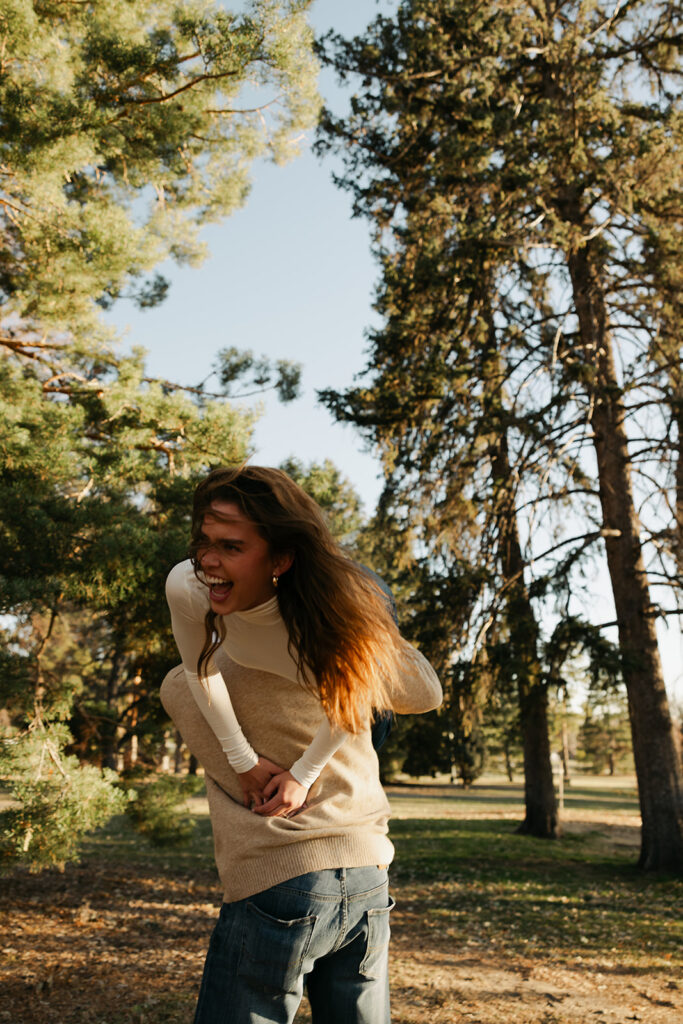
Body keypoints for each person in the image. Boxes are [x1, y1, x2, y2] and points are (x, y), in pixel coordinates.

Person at [160, 464, 442, 1024]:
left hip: (280, 879)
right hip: (365, 870)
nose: (208, 562)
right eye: (203, 543)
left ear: (282, 559)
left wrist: (301, 774)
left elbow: (407, 692)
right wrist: (245, 761)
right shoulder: (193, 593)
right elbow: (198, 669)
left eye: (231, 546)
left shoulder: (329, 622)